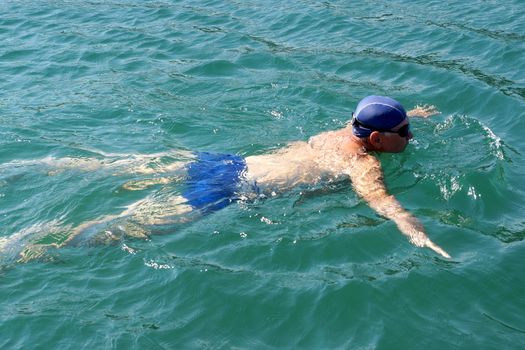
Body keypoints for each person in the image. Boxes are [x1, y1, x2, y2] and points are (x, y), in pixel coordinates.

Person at [8, 95, 451, 262]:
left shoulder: (342, 132)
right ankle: (29, 249)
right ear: (374, 138)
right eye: (404, 132)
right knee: (124, 228)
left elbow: (378, 120)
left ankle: (21, 168)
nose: (409, 136)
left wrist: (419, 114)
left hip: (228, 162)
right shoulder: (364, 164)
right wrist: (414, 231)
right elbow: (382, 202)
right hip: (236, 190)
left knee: (113, 166)